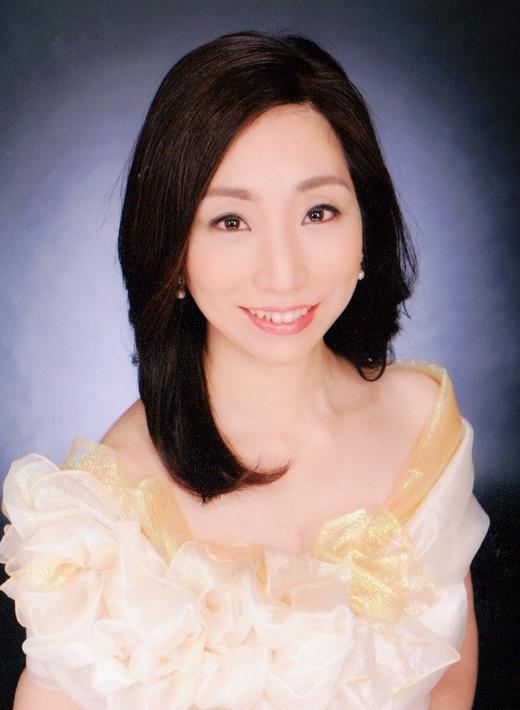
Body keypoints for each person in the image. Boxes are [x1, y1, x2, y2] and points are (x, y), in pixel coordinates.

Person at [1, 30, 489, 709]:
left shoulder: (421, 423)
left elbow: (449, 672)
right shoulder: (111, 513)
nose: (283, 273)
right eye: (231, 221)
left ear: (366, 227)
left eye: (318, 211)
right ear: (172, 250)